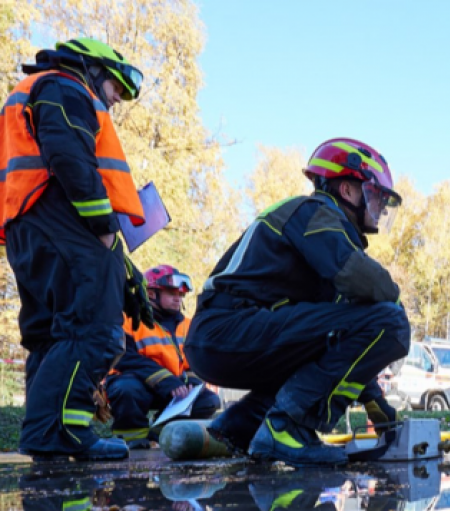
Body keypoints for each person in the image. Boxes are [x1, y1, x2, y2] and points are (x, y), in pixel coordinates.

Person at [185, 138, 409, 465]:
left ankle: (237, 429)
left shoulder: (317, 227)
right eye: (375, 197)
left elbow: (339, 341)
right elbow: (365, 282)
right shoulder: (316, 214)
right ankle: (287, 429)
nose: (379, 209)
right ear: (347, 190)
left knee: (332, 345)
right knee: (391, 322)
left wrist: (375, 401)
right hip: (231, 330)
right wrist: (395, 313)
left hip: (225, 334)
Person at [0, 38, 154, 461]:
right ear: (94, 70)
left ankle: (44, 433)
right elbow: (69, 157)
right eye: (114, 91)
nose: (115, 101)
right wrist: (104, 228)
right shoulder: (66, 87)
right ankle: (63, 430)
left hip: (34, 222)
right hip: (61, 216)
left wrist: (121, 263)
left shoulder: (39, 89)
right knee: (96, 331)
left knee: (51, 336)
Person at [107, 264, 221, 447]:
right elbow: (124, 357)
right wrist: (163, 379)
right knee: (127, 389)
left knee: (209, 400)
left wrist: (192, 383)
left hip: (173, 387)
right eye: (172, 293)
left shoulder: (188, 325)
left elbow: (191, 364)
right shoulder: (128, 319)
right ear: (151, 294)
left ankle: (159, 432)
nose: (178, 298)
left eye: (181, 294)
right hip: (134, 383)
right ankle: (130, 440)